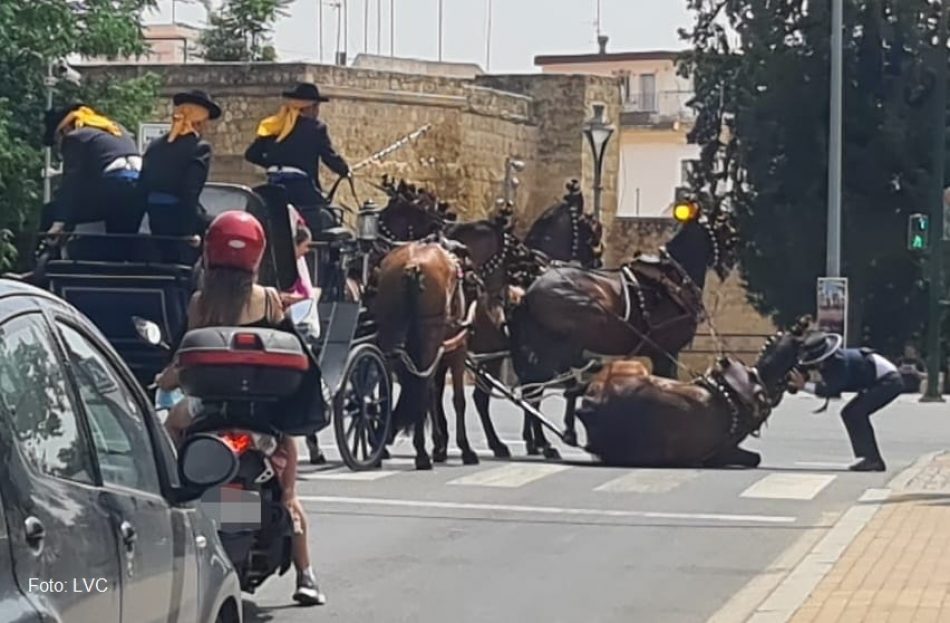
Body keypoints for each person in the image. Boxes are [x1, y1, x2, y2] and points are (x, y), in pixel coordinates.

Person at [156, 210, 326, 606]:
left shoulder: (201, 303)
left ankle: (171, 494)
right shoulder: (268, 300)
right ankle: (306, 575)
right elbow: (294, 352)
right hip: (260, 411)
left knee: (168, 431)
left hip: (206, 408)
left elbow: (181, 360)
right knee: (289, 479)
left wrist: (164, 379)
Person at [244, 82, 350, 236]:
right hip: (302, 191)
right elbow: (329, 157)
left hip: (275, 187)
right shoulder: (316, 128)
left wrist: (275, 164)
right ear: (310, 107)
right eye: (316, 107)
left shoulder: (275, 126)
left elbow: (251, 154)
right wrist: (344, 170)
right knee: (330, 218)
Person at [788, 332, 902, 472]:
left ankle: (873, 460)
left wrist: (803, 386)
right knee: (851, 413)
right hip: (876, 381)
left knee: (855, 413)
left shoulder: (840, 364)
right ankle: (869, 458)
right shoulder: (832, 361)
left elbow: (829, 390)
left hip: (889, 381)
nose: (815, 365)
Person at [43, 103, 141, 258]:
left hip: (112, 188)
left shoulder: (75, 137)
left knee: (51, 210)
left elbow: (72, 182)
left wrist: (59, 222)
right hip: (138, 190)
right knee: (121, 241)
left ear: (65, 129)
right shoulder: (117, 129)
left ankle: (45, 260)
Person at [138, 90, 222, 263]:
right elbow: (190, 193)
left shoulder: (155, 146)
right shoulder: (200, 148)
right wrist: (190, 233)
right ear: (200, 122)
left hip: (155, 220)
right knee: (219, 227)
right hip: (179, 223)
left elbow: (142, 186)